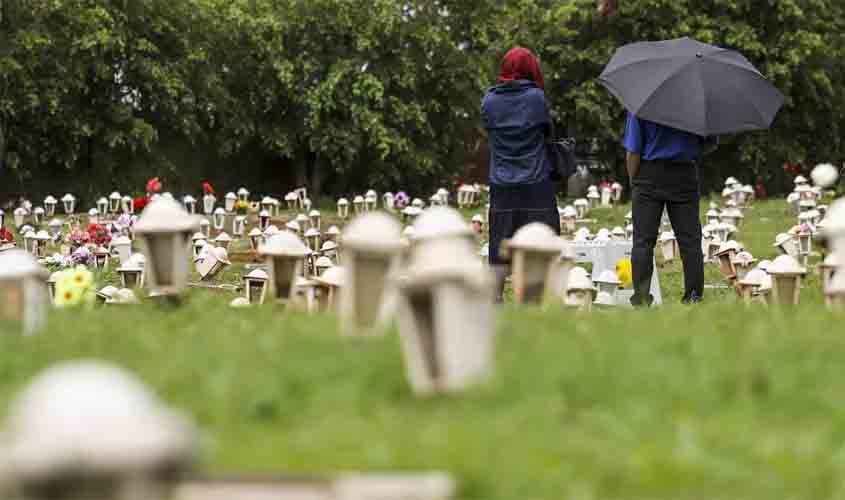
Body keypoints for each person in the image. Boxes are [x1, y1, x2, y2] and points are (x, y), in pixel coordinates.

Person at [481, 47, 561, 302]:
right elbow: (548, 133)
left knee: (498, 246)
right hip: (536, 182)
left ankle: (494, 299)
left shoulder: (489, 101)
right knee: (544, 243)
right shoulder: (536, 98)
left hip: (502, 183)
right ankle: (543, 298)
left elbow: (490, 132)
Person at [624, 112, 716, 305]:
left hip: (649, 172)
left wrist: (635, 180)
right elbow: (710, 142)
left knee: (643, 242)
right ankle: (693, 297)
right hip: (684, 172)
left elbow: (633, 150)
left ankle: (641, 299)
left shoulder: (641, 103)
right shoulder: (696, 102)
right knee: (690, 240)